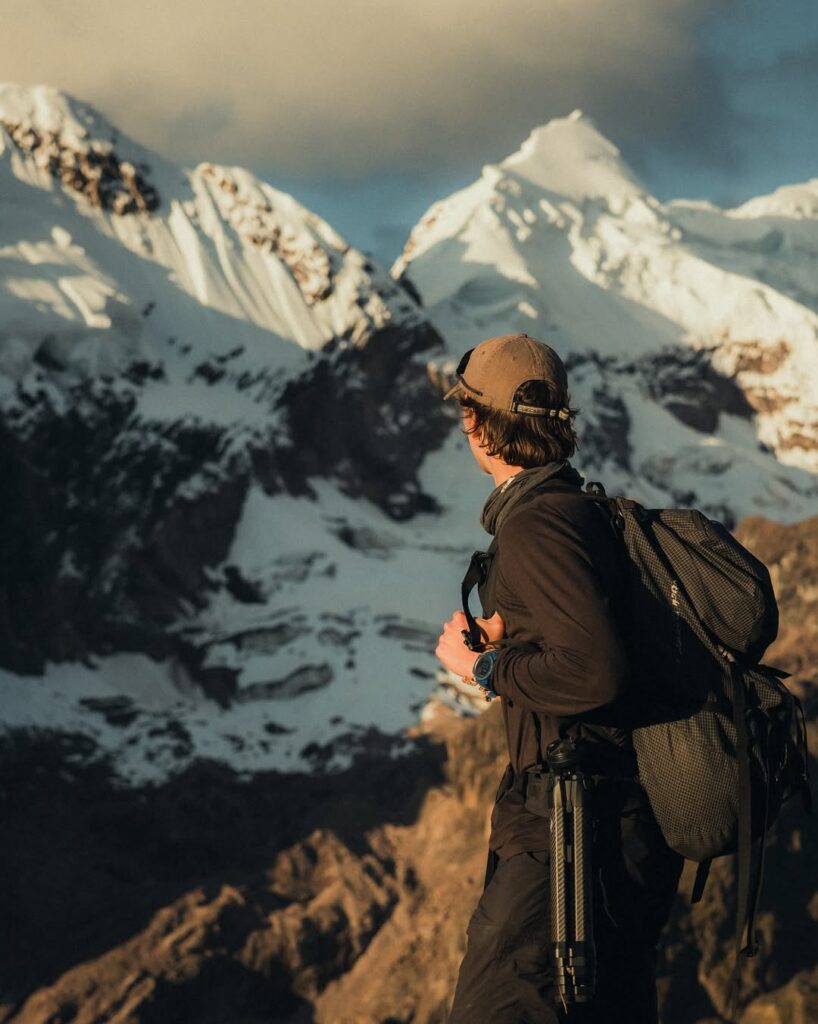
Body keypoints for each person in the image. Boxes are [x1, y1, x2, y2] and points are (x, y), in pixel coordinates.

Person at [434, 333, 683, 1024]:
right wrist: (513, 639)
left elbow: (595, 671)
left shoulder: (537, 527)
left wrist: (482, 665)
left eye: (464, 413)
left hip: (566, 834)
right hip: (614, 827)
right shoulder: (580, 511)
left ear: (476, 424)